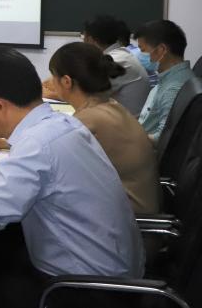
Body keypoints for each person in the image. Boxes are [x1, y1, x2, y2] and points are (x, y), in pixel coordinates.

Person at [0, 47, 143, 308]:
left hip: (86, 289)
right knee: (3, 246)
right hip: (113, 268)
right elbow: (45, 180)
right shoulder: (61, 124)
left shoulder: (36, 144)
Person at [48, 42, 159, 214]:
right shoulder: (111, 105)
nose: (50, 83)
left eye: (52, 76)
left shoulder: (89, 119)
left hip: (128, 218)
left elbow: (50, 168)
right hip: (133, 206)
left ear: (66, 81)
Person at [43, 15, 150, 114]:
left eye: (82, 37)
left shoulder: (116, 60)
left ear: (90, 39)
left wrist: (46, 93)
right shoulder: (119, 55)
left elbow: (77, 92)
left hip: (121, 123)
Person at [136, 19, 193, 141]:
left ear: (161, 50)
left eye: (142, 50)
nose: (139, 56)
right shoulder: (169, 78)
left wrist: (133, 137)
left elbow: (164, 139)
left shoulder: (173, 88)